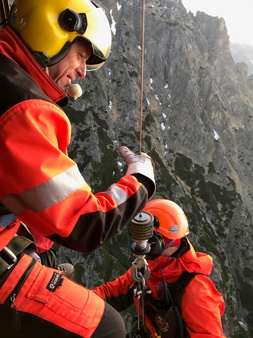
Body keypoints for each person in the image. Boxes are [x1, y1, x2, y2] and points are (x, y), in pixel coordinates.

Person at [0, 0, 156, 336]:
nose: (83, 72)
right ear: (52, 32)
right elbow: (86, 224)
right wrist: (140, 181)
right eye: (82, 56)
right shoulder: (21, 109)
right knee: (109, 328)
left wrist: (34, 247)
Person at [93, 199, 227, 338]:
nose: (140, 243)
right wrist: (79, 301)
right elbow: (112, 293)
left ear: (157, 241)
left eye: (145, 237)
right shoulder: (147, 268)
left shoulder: (197, 291)